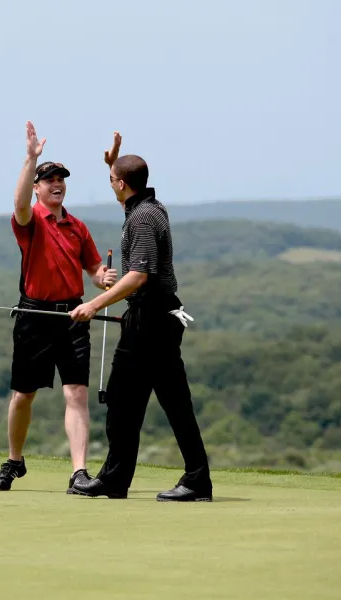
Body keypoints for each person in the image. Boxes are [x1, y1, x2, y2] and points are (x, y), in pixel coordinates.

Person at [68, 133, 213, 501]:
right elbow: (126, 190)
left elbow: (138, 275)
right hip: (158, 319)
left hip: (150, 321)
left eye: (113, 181)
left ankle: (118, 480)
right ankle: (194, 479)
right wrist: (112, 166)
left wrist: (94, 304)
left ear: (121, 184)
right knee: (169, 401)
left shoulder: (144, 218)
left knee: (122, 400)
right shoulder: (148, 206)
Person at [0, 121, 117, 493]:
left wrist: (102, 277)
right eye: (49, 179)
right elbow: (18, 203)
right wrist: (31, 160)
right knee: (23, 394)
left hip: (74, 314)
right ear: (38, 187)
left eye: (60, 178)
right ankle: (14, 460)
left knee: (76, 393)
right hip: (34, 314)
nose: (56, 183)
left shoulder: (77, 226)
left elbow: (92, 268)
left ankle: (79, 472)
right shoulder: (30, 220)